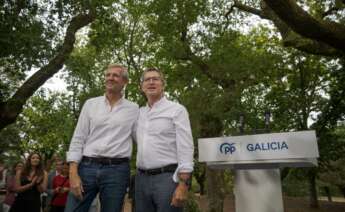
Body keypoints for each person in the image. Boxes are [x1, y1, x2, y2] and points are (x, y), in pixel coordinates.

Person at [65, 64, 139, 212]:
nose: (110, 78)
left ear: (124, 81)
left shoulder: (134, 109)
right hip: (86, 167)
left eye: (115, 75)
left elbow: (142, 139)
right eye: (108, 75)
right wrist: (73, 172)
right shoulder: (90, 104)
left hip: (117, 171)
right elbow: (78, 137)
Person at [135, 68, 194, 212]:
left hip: (167, 179)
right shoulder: (138, 113)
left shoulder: (177, 110)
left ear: (163, 84)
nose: (151, 82)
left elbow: (186, 147)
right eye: (147, 80)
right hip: (141, 179)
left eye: (155, 79)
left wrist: (183, 184)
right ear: (142, 86)